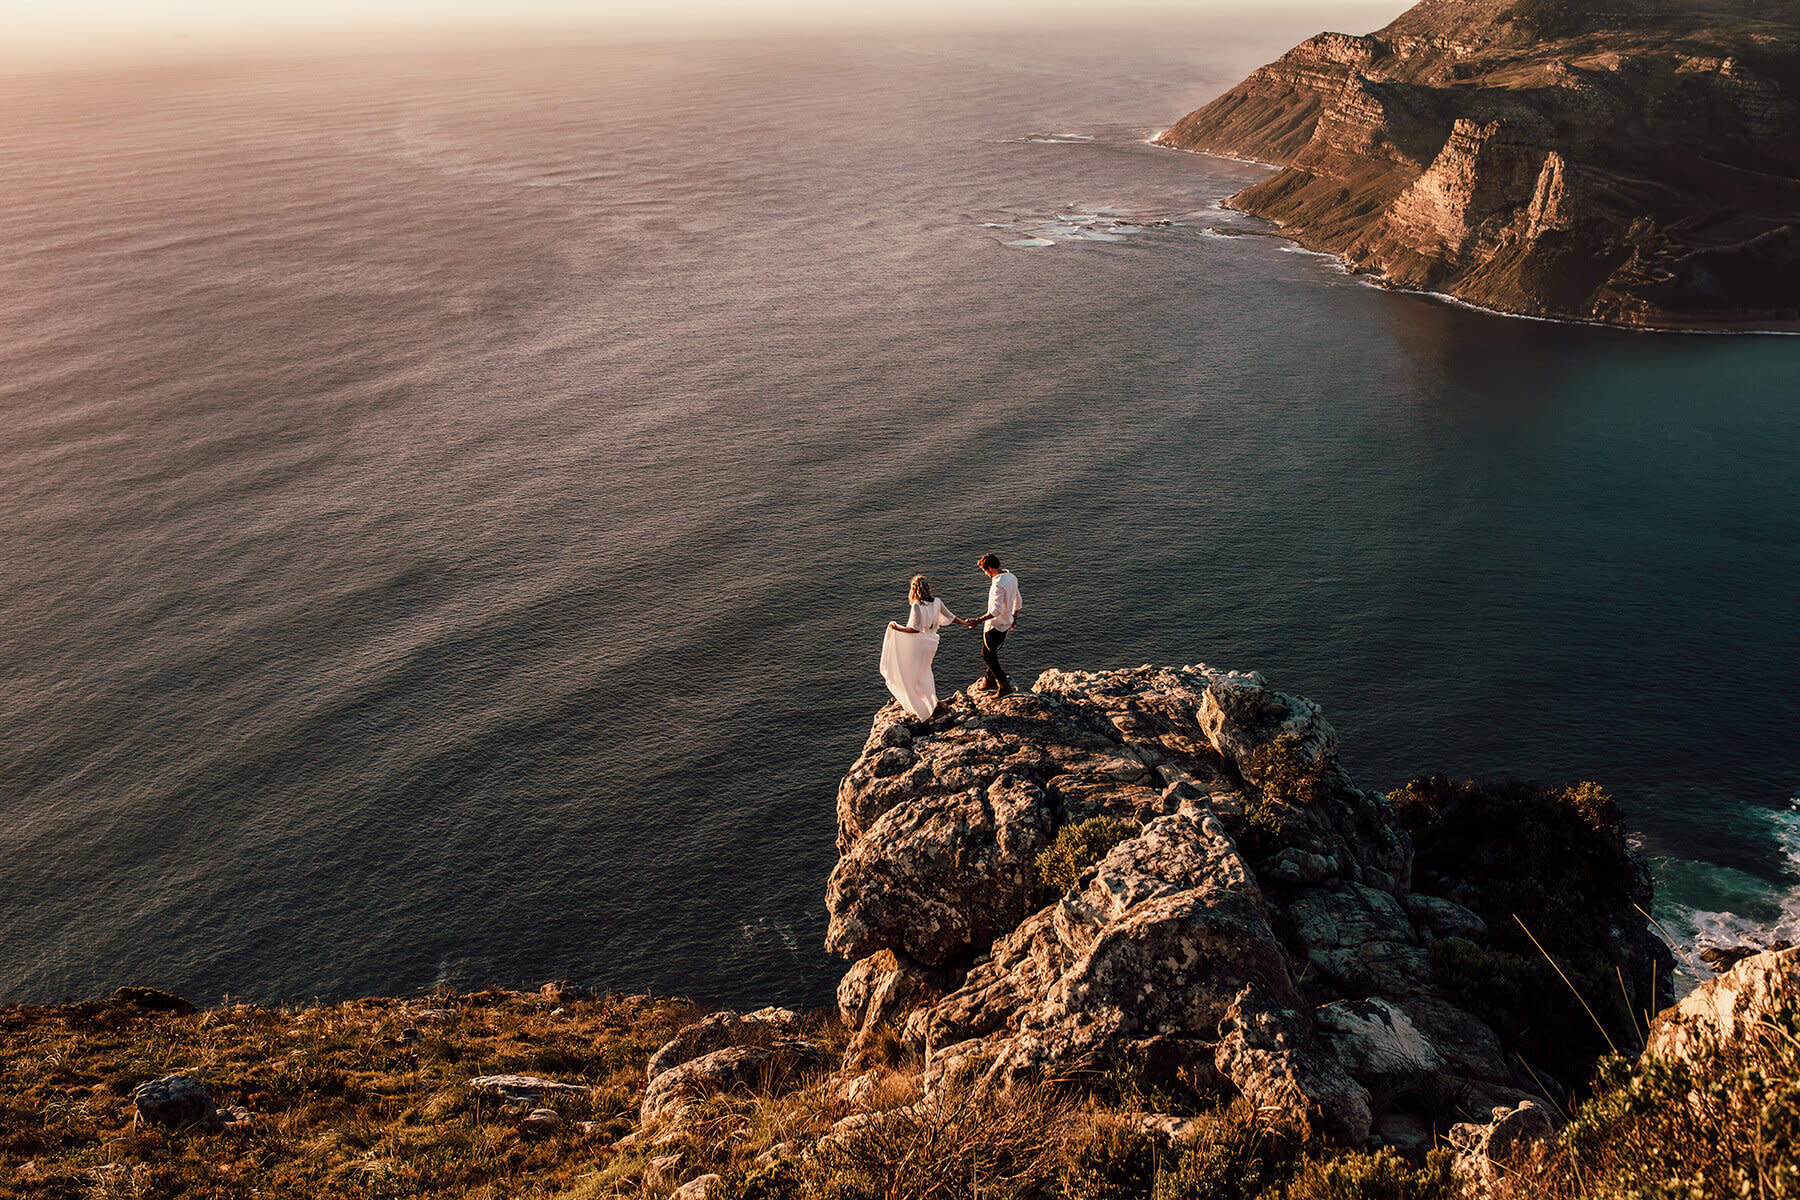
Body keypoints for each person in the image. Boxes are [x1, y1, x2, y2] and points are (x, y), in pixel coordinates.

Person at [879, 574, 960, 720]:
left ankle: (919, 707)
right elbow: (951, 618)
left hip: (919, 644)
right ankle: (931, 702)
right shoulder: (937, 602)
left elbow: (914, 629)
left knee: (912, 674)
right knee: (925, 672)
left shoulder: (917, 605)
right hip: (932, 642)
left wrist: (897, 628)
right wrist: (967, 623)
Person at [963, 552, 1022, 698]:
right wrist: (1014, 616)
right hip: (1006, 623)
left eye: (984, 570)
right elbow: (1018, 598)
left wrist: (977, 620)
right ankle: (989, 681)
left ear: (989, 568)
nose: (985, 574)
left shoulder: (997, 585)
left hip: (994, 626)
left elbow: (994, 612)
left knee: (988, 655)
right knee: (991, 652)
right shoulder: (1011, 577)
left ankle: (1004, 686)